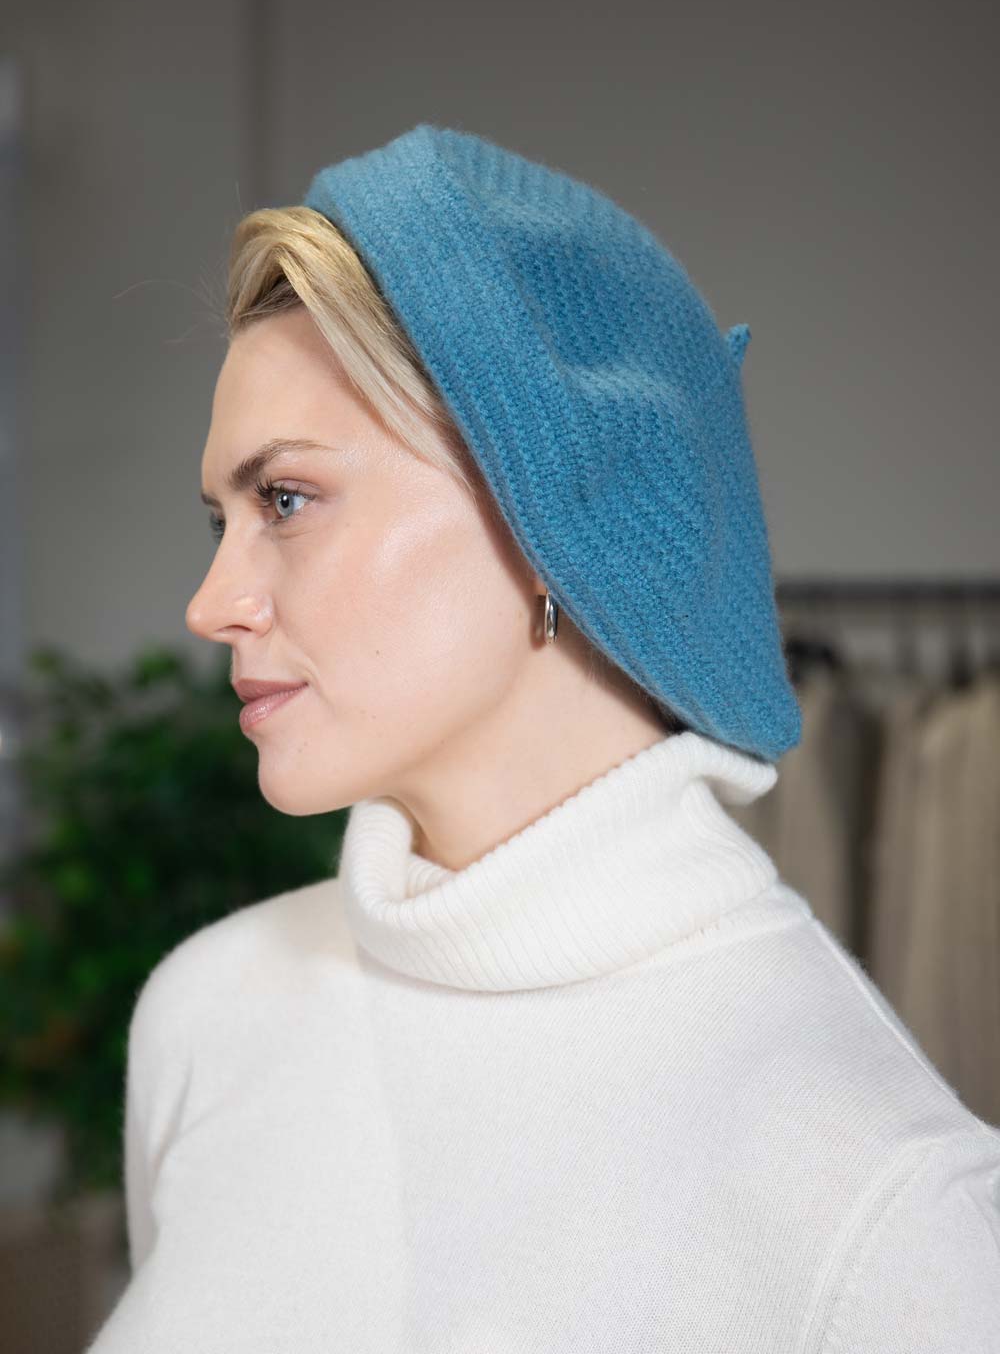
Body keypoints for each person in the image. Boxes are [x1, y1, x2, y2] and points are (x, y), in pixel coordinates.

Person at [87, 125, 1000, 1352]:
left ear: (548, 514)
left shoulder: (886, 1209)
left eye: (286, 499)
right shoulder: (211, 1012)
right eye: (222, 520)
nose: (211, 603)